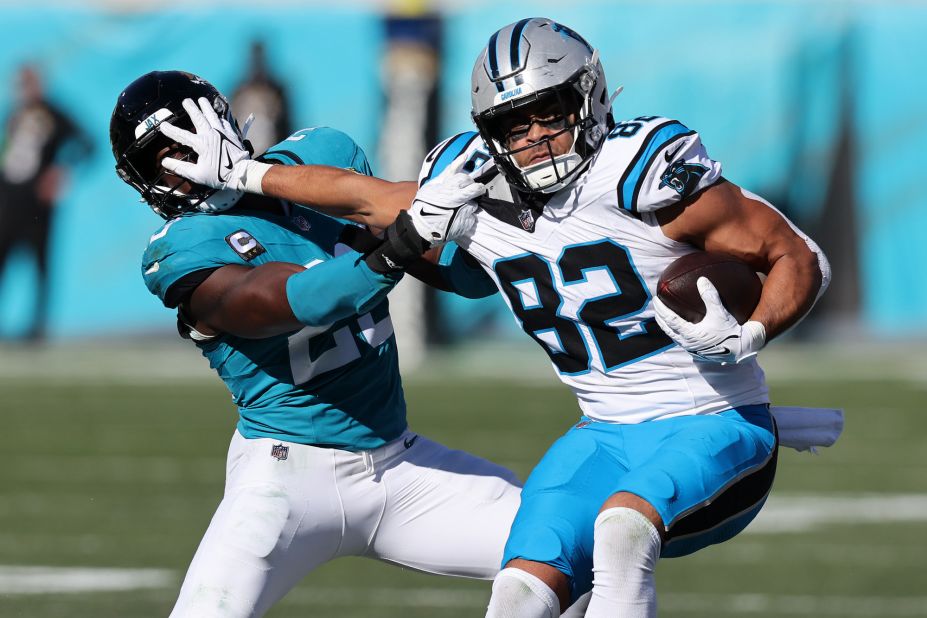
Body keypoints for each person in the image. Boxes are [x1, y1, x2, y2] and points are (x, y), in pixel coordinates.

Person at [159, 17, 835, 617]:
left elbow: (796, 255)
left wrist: (751, 334)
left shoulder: (639, 171)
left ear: (589, 97)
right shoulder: (475, 185)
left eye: (549, 113)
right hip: (602, 430)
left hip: (707, 420)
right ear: (489, 130)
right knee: (518, 591)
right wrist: (246, 175)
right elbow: (363, 198)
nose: (536, 137)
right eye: (515, 122)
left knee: (619, 532)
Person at [110, 70, 532, 618]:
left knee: (563, 557)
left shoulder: (320, 159)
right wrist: (397, 246)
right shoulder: (181, 246)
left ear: (216, 123)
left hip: (398, 466)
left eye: (180, 148)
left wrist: (463, 230)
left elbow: (466, 278)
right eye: (158, 162)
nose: (175, 173)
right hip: (285, 480)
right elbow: (279, 302)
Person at [0, 63, 92, 341]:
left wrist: (60, 170)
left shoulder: (55, 113)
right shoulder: (14, 114)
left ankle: (37, 327)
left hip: (38, 204)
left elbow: (88, 143)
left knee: (40, 262)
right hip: (9, 199)